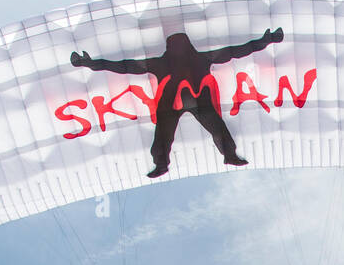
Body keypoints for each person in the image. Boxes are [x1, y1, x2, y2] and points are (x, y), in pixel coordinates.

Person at [68, 28, 284, 178]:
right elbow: (124, 66)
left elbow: (235, 51)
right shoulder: (183, 60)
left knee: (213, 128)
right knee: (168, 134)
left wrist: (265, 41)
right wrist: (91, 64)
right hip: (179, 104)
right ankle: (164, 163)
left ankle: (224, 155)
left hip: (190, 102)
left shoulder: (183, 60)